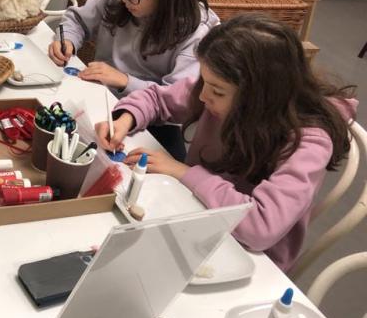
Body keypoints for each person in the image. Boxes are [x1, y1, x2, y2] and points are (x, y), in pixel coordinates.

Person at [95, 14, 356, 271]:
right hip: (196, 216)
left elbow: (260, 227)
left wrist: (184, 173)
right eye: (204, 82)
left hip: (250, 260)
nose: (203, 96)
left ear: (260, 98)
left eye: (217, 91)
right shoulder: (218, 88)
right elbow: (157, 98)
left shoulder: (309, 142)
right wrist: (125, 118)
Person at [49, 0, 219, 160]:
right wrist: (67, 39)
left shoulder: (196, 31)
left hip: (156, 124)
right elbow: (77, 20)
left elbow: (175, 100)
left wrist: (124, 81)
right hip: (101, 97)